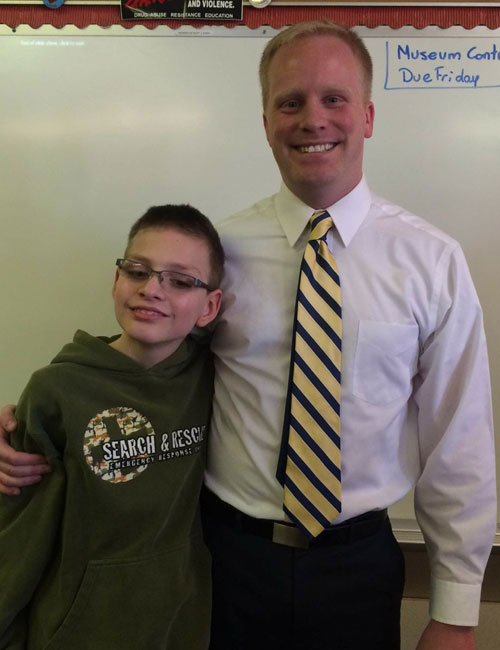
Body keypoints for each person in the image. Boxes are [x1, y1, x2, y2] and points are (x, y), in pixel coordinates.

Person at [0, 20, 496, 650]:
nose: (312, 119)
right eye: (290, 102)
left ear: (367, 116)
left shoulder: (432, 261)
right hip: (226, 559)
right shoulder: (217, 254)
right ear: (265, 122)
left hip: (360, 563)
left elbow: (460, 436)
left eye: (333, 99)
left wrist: (455, 609)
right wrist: (35, 421)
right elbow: (143, 361)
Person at [0, 204, 223, 650]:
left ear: (209, 306)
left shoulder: (217, 375)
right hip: (79, 631)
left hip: (183, 624)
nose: (152, 290)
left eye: (180, 281)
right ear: (116, 280)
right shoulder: (56, 390)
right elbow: (19, 537)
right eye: (138, 271)